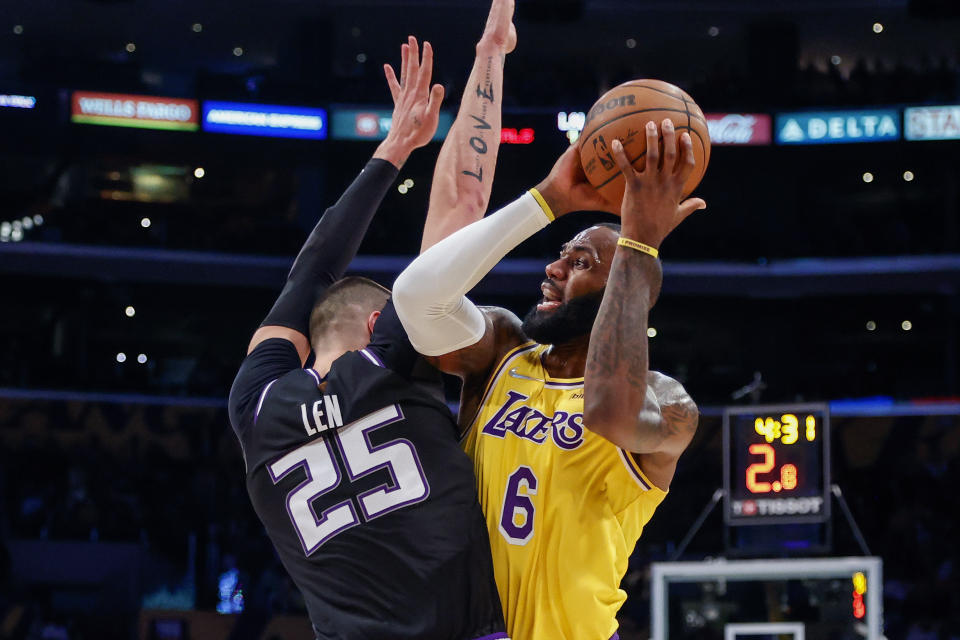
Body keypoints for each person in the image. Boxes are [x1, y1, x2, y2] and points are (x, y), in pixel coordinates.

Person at [227, 1, 517, 635]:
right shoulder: (389, 356)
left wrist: (393, 147)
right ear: (378, 320)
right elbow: (462, 206)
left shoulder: (257, 404)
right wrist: (489, 56)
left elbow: (308, 275)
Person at [392, 122, 706, 640]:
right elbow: (416, 299)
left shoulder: (666, 402)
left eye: (580, 262)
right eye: (561, 254)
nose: (554, 268)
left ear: (624, 289)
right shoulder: (501, 351)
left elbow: (607, 411)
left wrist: (638, 245)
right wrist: (547, 199)